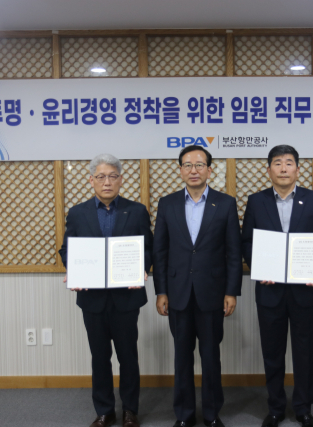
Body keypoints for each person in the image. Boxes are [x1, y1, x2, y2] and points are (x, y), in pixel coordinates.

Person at [241, 145, 313, 427]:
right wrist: (259, 267)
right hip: (269, 290)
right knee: (272, 352)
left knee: (304, 351)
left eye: (289, 163)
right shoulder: (256, 201)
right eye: (278, 163)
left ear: (298, 169)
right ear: (269, 169)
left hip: (304, 290)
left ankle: (304, 408)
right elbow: (247, 241)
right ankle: (275, 408)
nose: (283, 168)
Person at [59, 153, 153, 427]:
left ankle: (130, 411)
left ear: (121, 179)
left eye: (112, 176)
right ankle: (104, 411)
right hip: (92, 298)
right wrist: (74, 270)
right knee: (100, 357)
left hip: (126, 296)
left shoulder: (137, 210)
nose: (107, 182)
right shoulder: (78, 213)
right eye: (101, 177)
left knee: (128, 357)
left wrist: (142, 268)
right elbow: (67, 249)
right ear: (91, 180)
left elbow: (148, 247)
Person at [153, 145, 242, 427]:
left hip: (212, 293)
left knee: (211, 356)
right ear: (180, 170)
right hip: (177, 293)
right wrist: (161, 291)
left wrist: (231, 291)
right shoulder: (167, 204)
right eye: (188, 165)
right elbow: (160, 252)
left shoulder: (225, 203)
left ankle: (212, 413)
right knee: (182, 357)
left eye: (199, 165)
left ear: (209, 170)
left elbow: (233, 252)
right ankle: (184, 414)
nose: (194, 170)